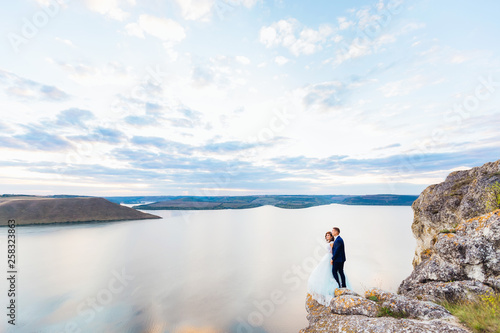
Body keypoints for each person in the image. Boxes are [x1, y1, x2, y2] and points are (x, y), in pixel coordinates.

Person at [306, 231, 337, 306]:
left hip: (329, 257)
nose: (327, 236)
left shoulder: (332, 242)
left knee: (327, 271)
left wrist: (332, 259)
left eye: (328, 235)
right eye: (326, 235)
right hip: (327, 256)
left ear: (331, 236)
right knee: (323, 271)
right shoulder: (330, 242)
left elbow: (333, 251)